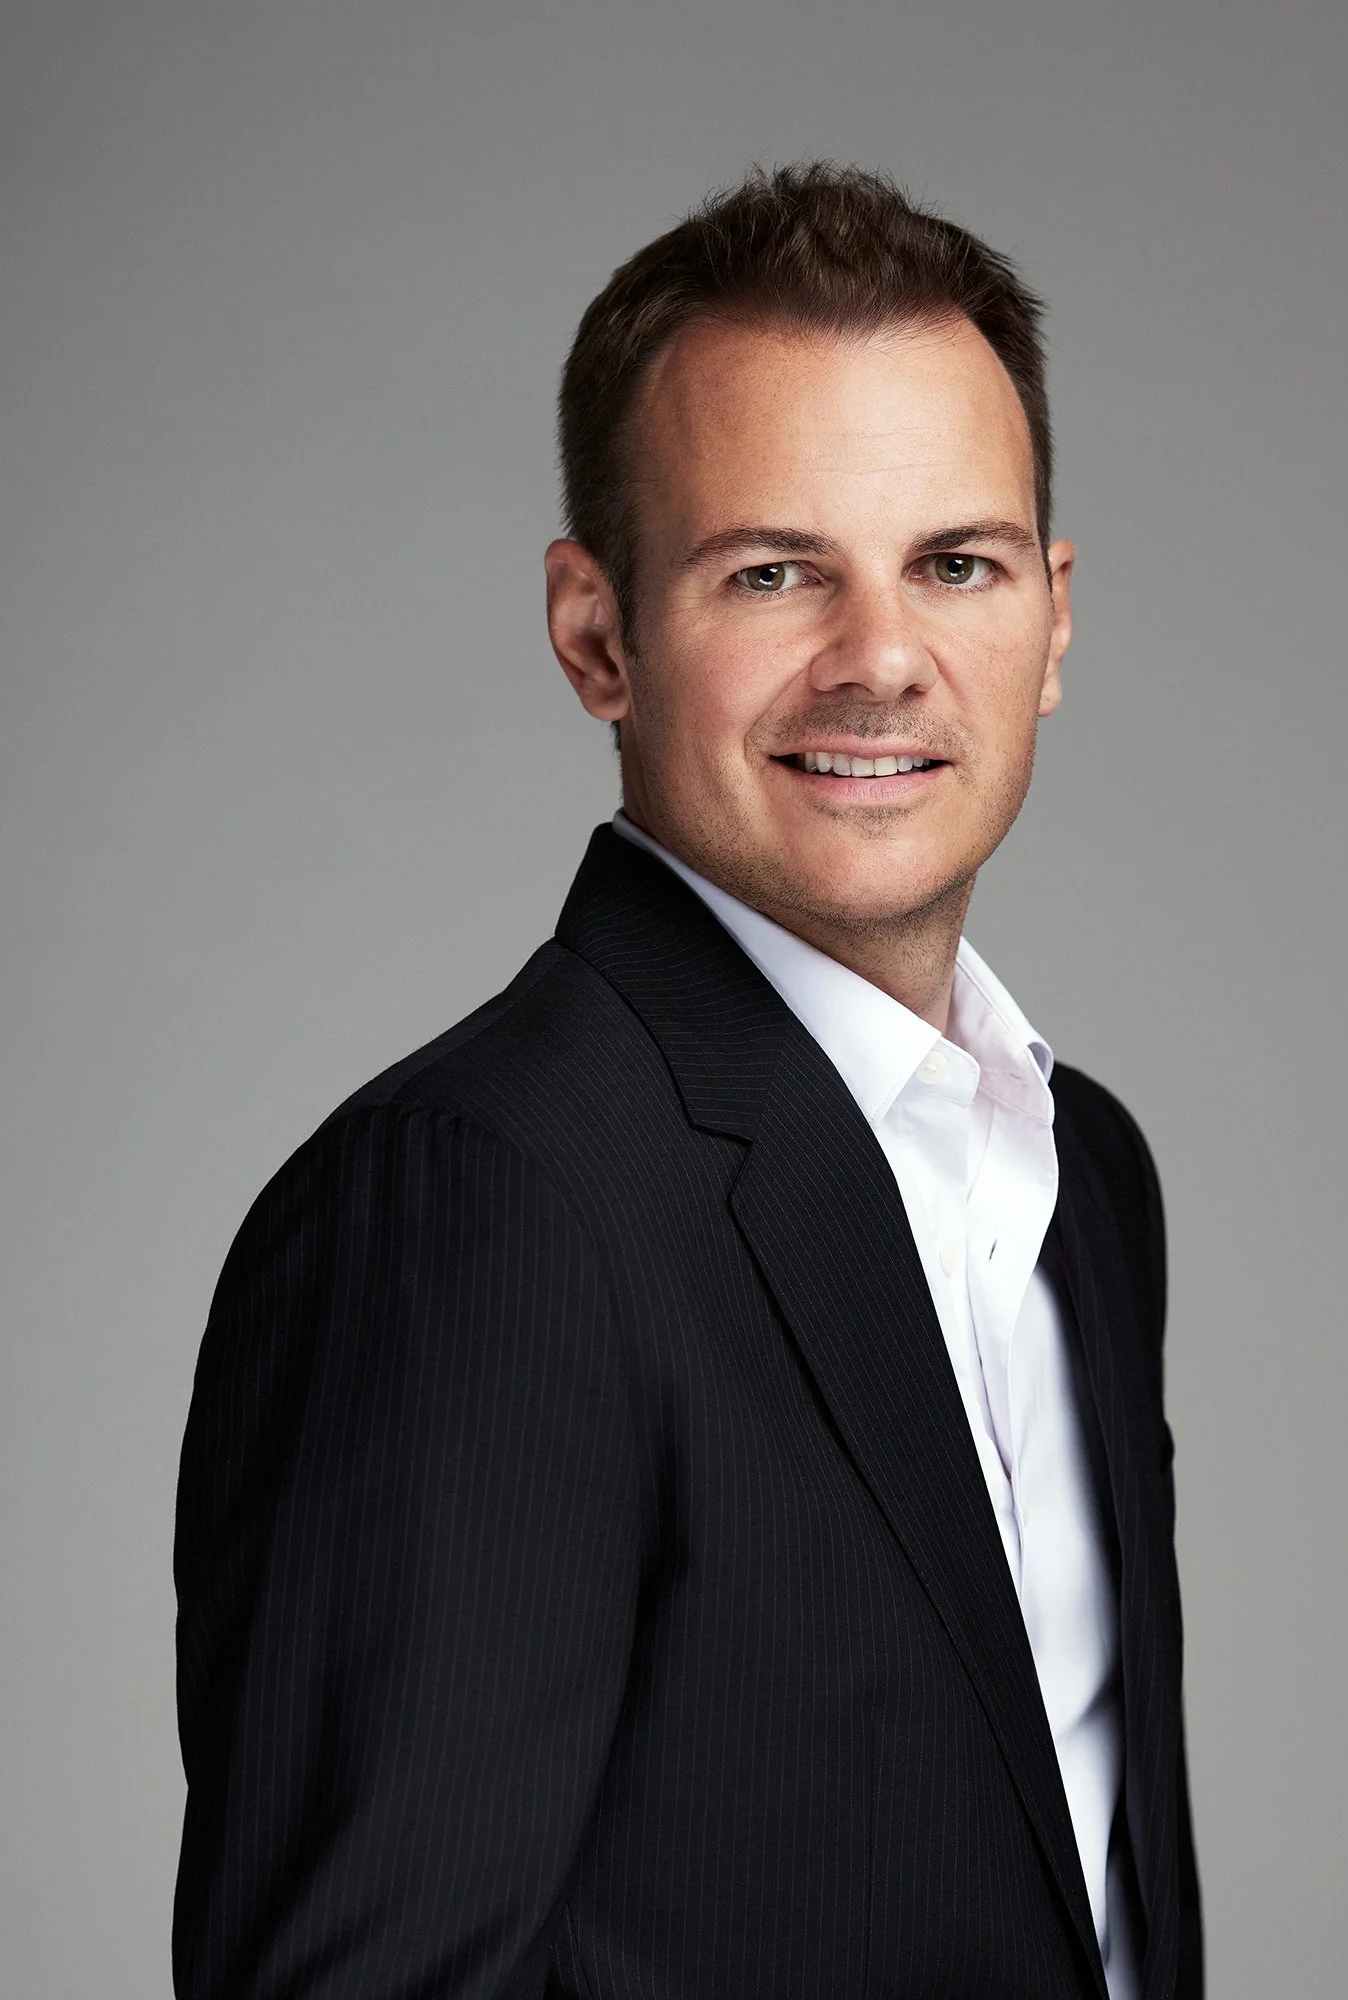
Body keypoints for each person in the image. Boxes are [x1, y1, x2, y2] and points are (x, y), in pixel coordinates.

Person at [174, 163, 1202, 2000]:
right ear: (598, 634)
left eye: (954, 565)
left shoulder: (1085, 1174)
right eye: (773, 572)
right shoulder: (482, 1202)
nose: (880, 661)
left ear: (1053, 622)